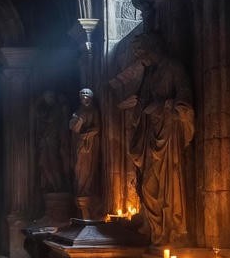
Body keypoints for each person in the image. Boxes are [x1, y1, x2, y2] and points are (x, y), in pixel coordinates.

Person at [110, 31, 194, 244]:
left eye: (141, 51)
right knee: (148, 187)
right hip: (151, 134)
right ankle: (158, 232)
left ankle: (173, 231)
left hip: (168, 134)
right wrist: (138, 106)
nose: (139, 57)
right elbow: (142, 101)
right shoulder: (149, 73)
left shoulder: (173, 67)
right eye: (137, 52)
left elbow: (185, 99)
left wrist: (165, 106)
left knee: (170, 183)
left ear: (152, 46)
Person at [34, 90, 70, 194]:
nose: (49, 99)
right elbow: (38, 116)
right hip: (44, 141)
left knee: (54, 163)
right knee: (43, 163)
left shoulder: (57, 110)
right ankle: (53, 186)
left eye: (50, 97)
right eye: (47, 97)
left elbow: (53, 120)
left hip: (53, 140)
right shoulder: (45, 111)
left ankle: (58, 186)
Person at [69, 88, 100, 198]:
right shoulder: (77, 112)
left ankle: (86, 190)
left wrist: (86, 134)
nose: (84, 98)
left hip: (89, 143)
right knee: (79, 167)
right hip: (79, 143)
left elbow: (97, 128)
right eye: (82, 96)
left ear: (90, 98)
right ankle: (79, 189)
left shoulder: (94, 111)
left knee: (88, 167)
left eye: (86, 96)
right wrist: (79, 122)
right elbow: (73, 128)